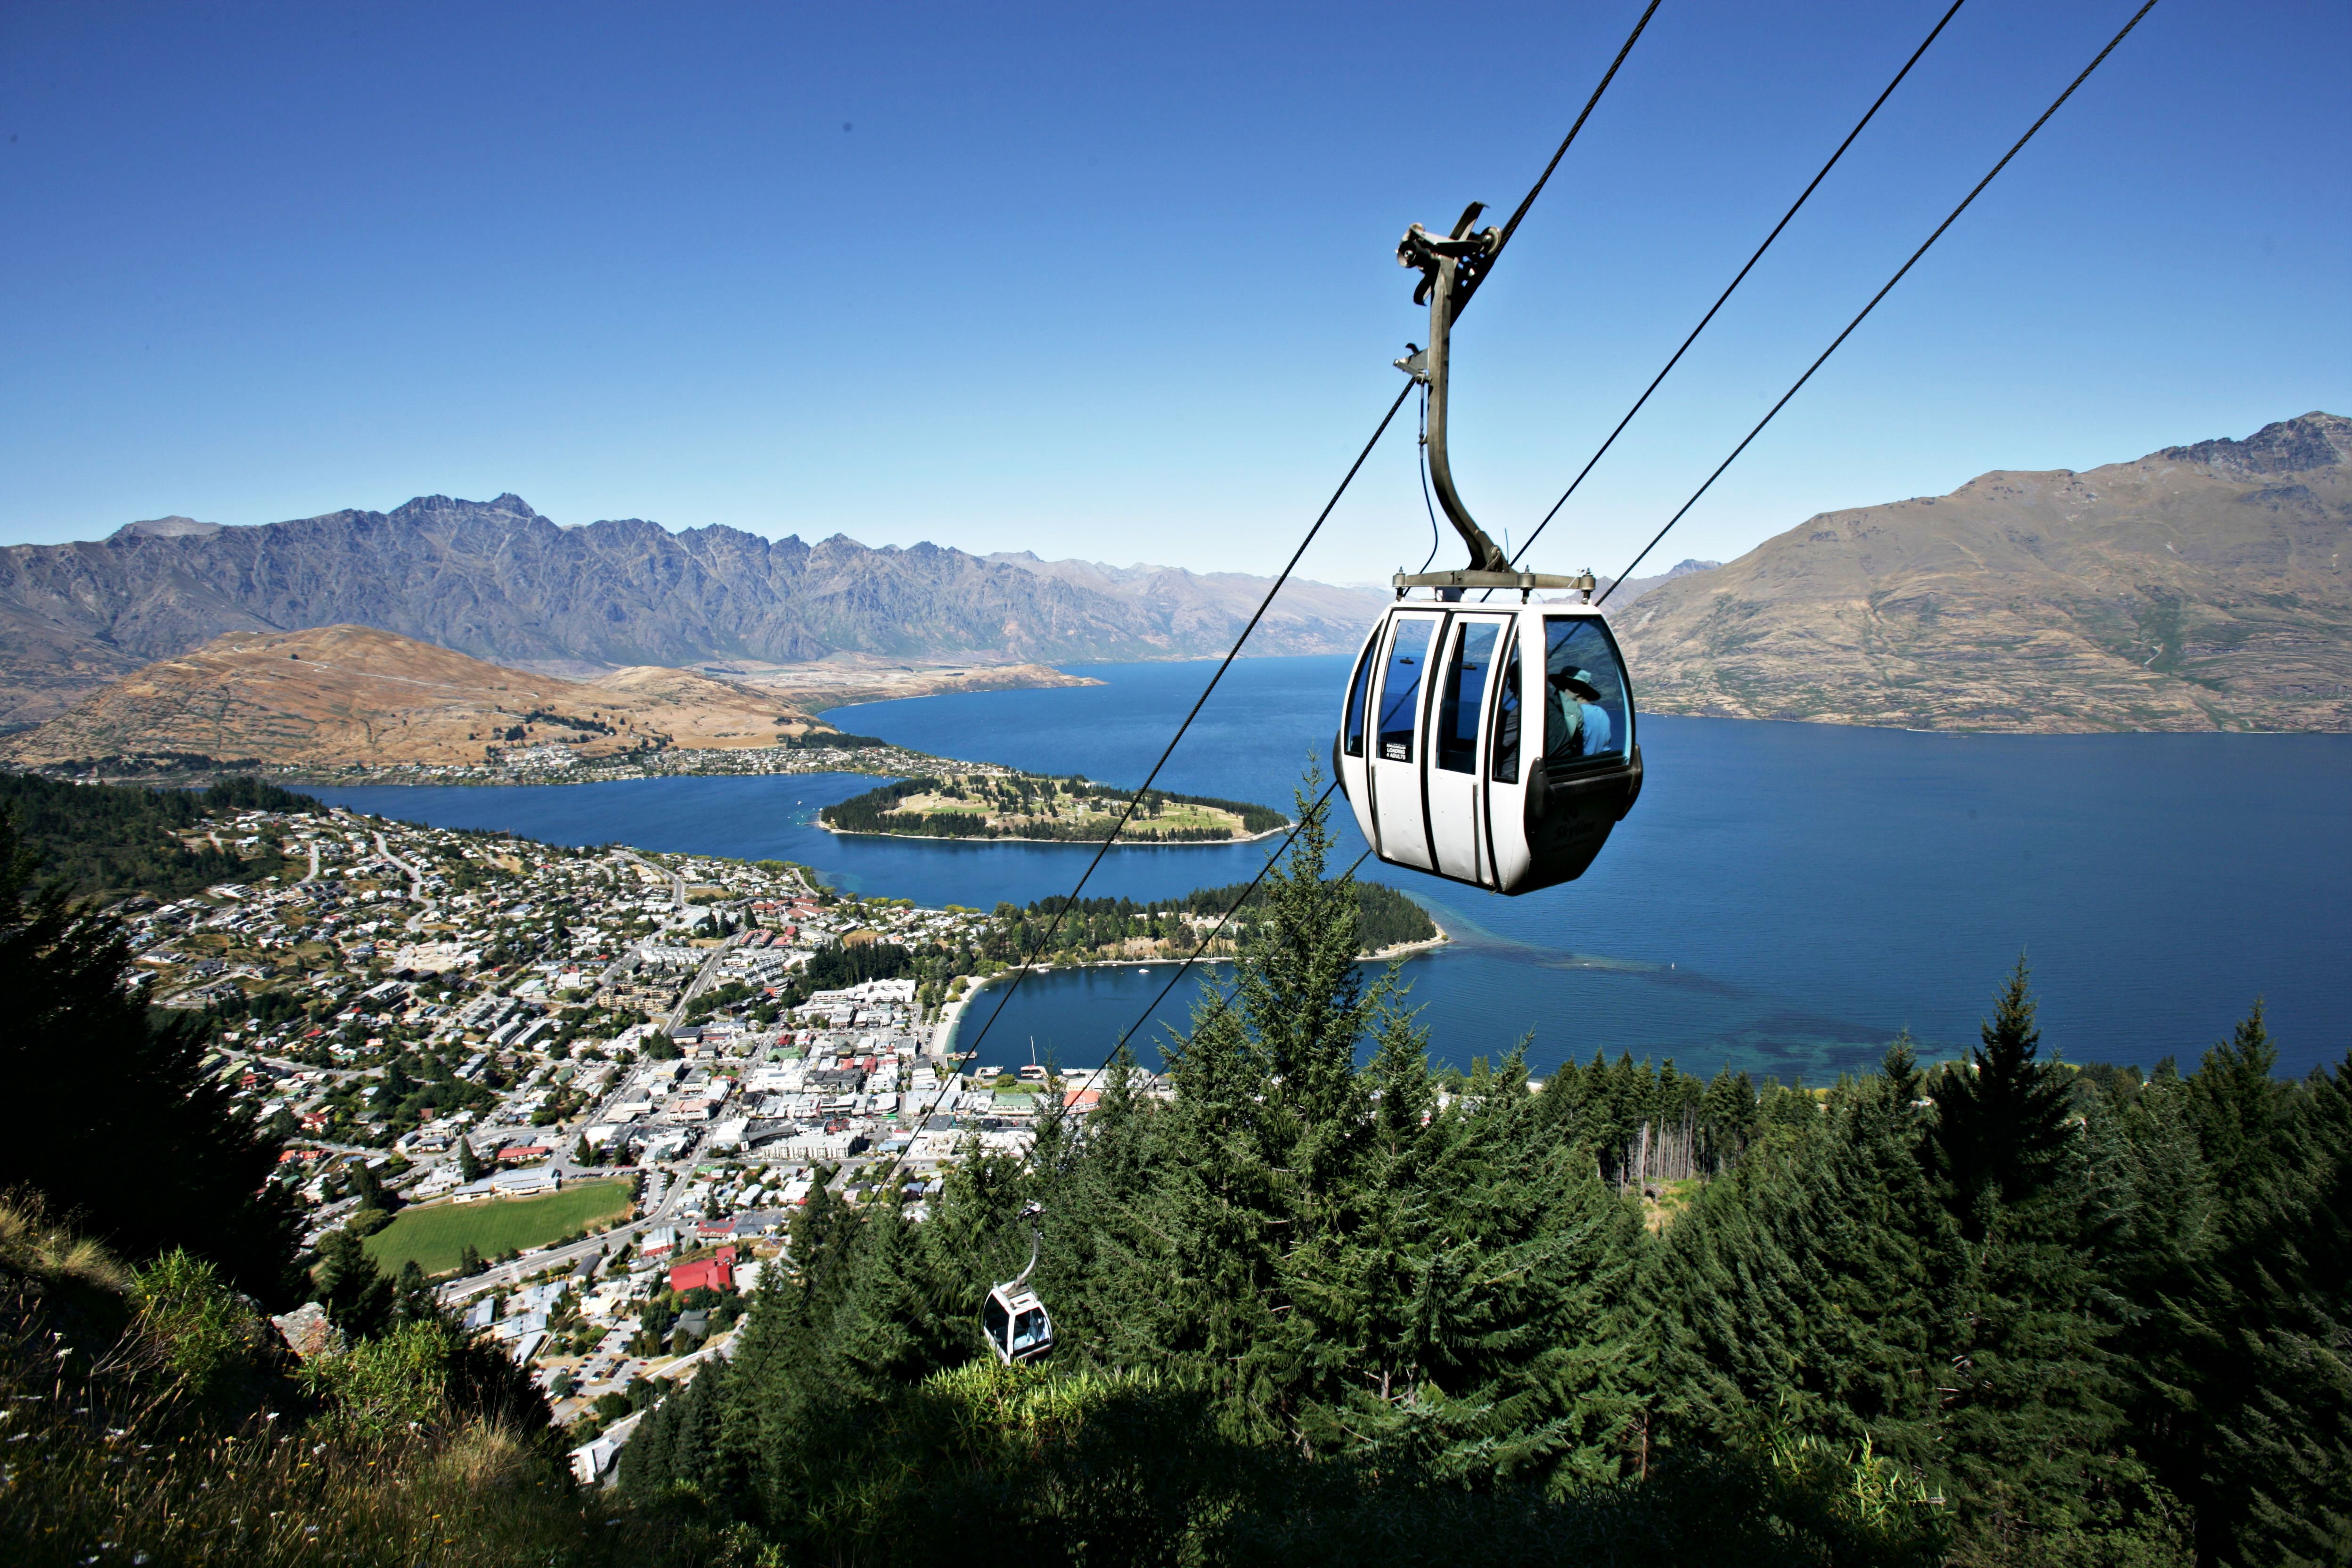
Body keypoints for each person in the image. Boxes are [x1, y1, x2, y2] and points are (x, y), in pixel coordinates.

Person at [1544, 666, 1612, 765]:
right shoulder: (1602, 713)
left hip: (1580, 768)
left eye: (1562, 688)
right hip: (1601, 767)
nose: (1557, 693)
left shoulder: (1574, 715)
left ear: (1577, 692)